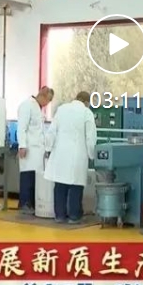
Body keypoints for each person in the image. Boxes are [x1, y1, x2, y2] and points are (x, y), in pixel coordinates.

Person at [44, 91, 97, 224]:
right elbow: (90, 138)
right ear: (87, 102)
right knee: (75, 186)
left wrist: (48, 148)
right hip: (77, 154)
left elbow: (51, 131)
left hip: (60, 153)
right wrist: (92, 155)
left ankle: (59, 215)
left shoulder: (62, 109)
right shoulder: (86, 113)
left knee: (60, 185)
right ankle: (74, 216)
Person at [16, 86, 54, 214]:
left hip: (38, 150)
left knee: (35, 179)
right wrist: (22, 146)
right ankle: (24, 204)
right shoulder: (27, 105)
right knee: (27, 177)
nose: (47, 103)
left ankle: (32, 204)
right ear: (42, 95)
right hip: (29, 149)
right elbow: (22, 127)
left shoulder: (38, 108)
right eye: (47, 100)